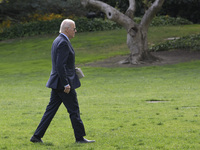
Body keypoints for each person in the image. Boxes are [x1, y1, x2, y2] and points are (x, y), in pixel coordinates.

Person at [30, 19, 95, 144]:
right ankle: (80, 138)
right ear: (67, 29)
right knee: (74, 110)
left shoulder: (57, 40)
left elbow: (62, 64)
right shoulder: (63, 42)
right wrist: (66, 83)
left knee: (50, 111)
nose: (75, 31)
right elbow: (60, 65)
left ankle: (36, 137)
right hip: (63, 85)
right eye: (74, 28)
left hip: (57, 83)